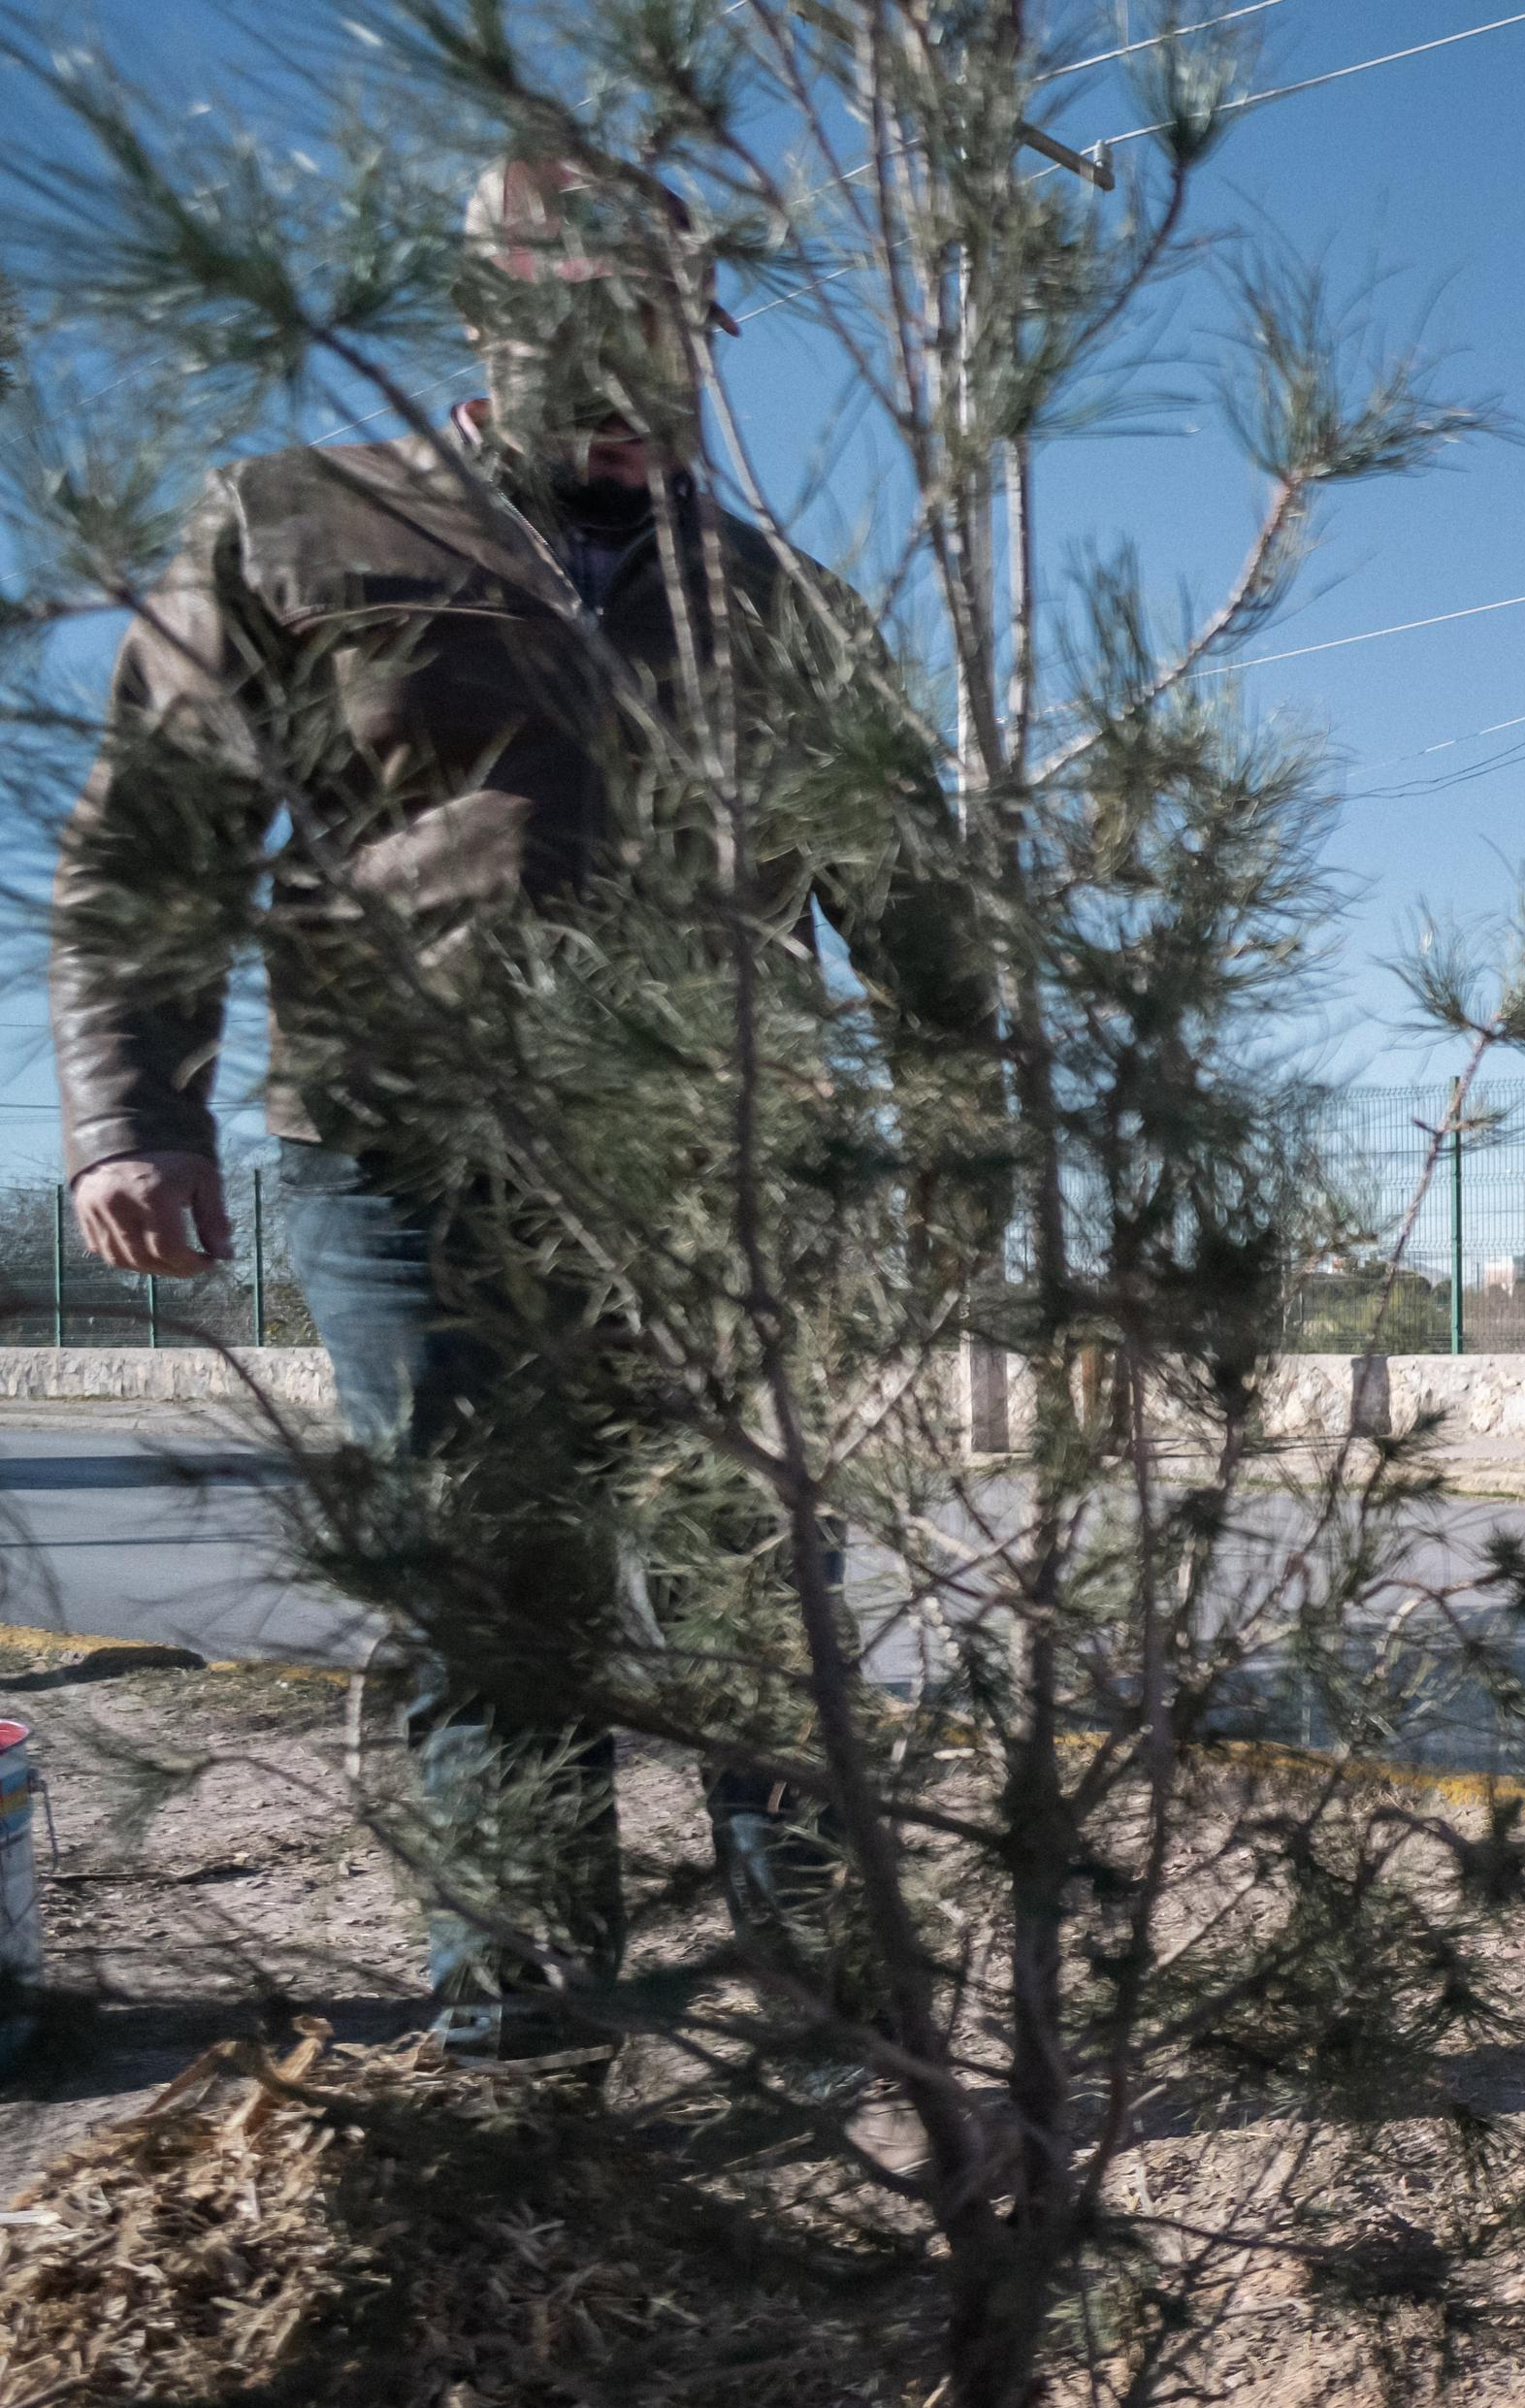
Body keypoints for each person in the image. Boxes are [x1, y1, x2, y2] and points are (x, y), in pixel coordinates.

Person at [52, 161, 989, 2057]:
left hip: (721, 1166)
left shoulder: (777, 595)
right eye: (590, 323)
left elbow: (906, 888)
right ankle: (524, 2019)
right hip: (403, 1153)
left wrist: (962, 1128)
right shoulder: (299, 519)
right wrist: (131, 1112)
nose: (634, 367)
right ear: (492, 318)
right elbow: (155, 837)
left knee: (754, 1579)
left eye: (667, 327)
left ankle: (815, 1992)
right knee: (493, 1583)